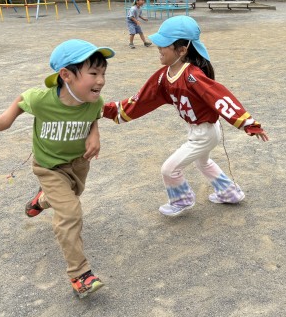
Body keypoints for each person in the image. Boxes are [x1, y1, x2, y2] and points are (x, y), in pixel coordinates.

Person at [0, 39, 115, 298]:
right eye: (93, 73)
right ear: (66, 75)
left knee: (72, 196)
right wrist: (4, 120)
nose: (101, 80)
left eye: (103, 73)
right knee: (70, 212)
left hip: (79, 163)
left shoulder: (94, 101)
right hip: (49, 167)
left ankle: (43, 199)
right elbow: (24, 99)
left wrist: (95, 133)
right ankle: (80, 274)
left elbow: (94, 115)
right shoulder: (42, 99)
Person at [103, 15, 269, 217]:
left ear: (182, 50)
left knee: (169, 169)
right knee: (203, 162)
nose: (159, 48)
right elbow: (141, 100)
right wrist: (108, 110)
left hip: (205, 133)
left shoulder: (193, 76)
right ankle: (229, 192)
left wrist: (248, 124)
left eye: (164, 44)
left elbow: (220, 97)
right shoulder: (163, 76)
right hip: (199, 130)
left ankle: (182, 199)